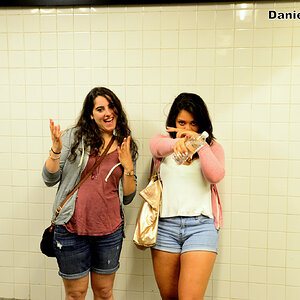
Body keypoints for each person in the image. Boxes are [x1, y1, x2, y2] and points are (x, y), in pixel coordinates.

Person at [42, 87, 138, 300]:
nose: (108, 113)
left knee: (104, 293)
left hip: (109, 232)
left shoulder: (124, 143)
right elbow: (49, 179)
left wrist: (128, 166)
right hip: (71, 229)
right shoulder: (73, 137)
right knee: (76, 294)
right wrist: (56, 150)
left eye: (111, 107)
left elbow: (128, 197)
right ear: (90, 114)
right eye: (100, 108)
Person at [149, 92, 225, 300]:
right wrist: (177, 144)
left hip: (201, 227)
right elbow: (156, 147)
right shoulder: (162, 144)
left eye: (193, 124)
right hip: (165, 229)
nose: (187, 129)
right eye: (182, 122)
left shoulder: (213, 148)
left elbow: (215, 176)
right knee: (169, 297)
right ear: (173, 122)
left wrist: (200, 144)